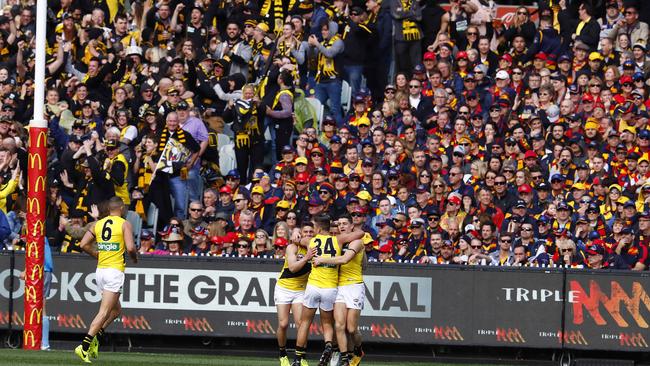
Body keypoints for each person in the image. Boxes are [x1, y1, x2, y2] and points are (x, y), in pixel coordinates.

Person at [292, 214, 364, 366]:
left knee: (305, 322)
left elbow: (297, 240)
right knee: (330, 324)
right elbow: (360, 233)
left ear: (317, 228)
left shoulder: (311, 241)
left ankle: (298, 358)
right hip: (331, 287)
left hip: (315, 286)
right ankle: (331, 348)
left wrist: (296, 235)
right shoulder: (338, 240)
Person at [75, 197, 138, 363]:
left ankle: (95, 338)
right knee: (104, 312)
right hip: (114, 272)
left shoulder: (98, 224)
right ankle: (84, 346)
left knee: (116, 311)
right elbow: (131, 247)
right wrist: (134, 257)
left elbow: (83, 245)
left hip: (100, 271)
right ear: (122, 208)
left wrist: (96, 254)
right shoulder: (124, 224)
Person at [314, 215, 366, 366]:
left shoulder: (356, 242)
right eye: (339, 224)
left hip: (354, 286)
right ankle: (345, 359)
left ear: (351, 226)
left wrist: (322, 259)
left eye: (345, 224)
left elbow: (344, 259)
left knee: (351, 328)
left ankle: (358, 349)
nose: (342, 226)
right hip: (339, 287)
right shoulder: (336, 242)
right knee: (339, 325)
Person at [275, 222, 316, 366]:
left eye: (312, 232)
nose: (309, 235)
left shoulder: (317, 249)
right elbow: (292, 268)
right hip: (284, 288)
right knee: (283, 323)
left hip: (300, 290)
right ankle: (282, 354)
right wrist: (306, 258)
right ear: (300, 234)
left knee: (301, 324)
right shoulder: (292, 247)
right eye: (306, 232)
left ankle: (301, 356)